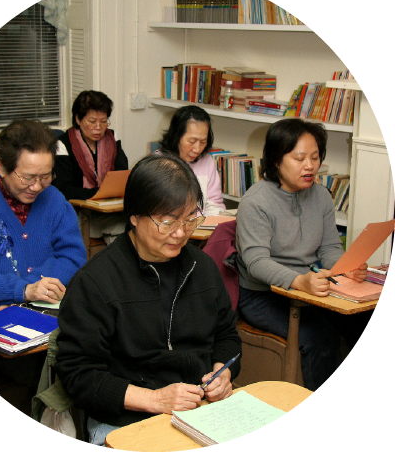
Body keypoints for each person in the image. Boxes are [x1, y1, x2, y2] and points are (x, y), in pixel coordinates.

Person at [55, 153, 241, 446]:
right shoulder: (95, 282)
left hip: (200, 411)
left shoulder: (202, 268)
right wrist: (154, 399)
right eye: (167, 222)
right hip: (125, 419)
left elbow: (227, 334)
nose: (180, 233)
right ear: (134, 216)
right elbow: (79, 376)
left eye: (190, 218)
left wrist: (223, 371)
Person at [235, 118, 370, 391]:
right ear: (275, 160)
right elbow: (256, 263)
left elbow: (329, 248)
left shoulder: (321, 196)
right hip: (262, 294)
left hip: (309, 287)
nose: (309, 165)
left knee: (364, 321)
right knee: (319, 335)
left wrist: (347, 268)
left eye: (315, 157)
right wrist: (300, 281)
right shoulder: (256, 201)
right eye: (299, 158)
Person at [0, 119, 87, 316]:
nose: (37, 186)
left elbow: (74, 259)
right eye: (28, 178)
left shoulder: (55, 200)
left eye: (46, 176)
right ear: (2, 167)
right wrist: (23, 291)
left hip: (46, 307)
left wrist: (30, 290)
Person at [53, 90, 129, 244]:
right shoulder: (62, 144)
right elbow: (63, 189)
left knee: (132, 221)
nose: (99, 128)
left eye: (103, 121)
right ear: (78, 119)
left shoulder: (112, 138)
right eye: (92, 121)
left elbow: (121, 176)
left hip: (111, 208)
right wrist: (98, 194)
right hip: (79, 212)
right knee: (128, 227)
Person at [159, 105, 225, 216]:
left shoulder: (207, 162)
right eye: (192, 141)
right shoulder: (158, 163)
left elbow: (214, 205)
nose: (197, 149)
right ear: (176, 136)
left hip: (201, 228)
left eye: (203, 142)